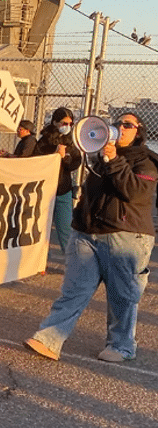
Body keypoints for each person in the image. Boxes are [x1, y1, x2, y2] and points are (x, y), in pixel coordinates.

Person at [25, 113, 157, 363]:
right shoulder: (100, 158)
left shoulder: (146, 161)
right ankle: (49, 338)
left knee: (122, 296)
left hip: (126, 237)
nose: (120, 128)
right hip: (87, 233)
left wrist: (114, 160)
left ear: (138, 131)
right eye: (117, 123)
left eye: (127, 125)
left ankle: (121, 345)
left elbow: (134, 192)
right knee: (74, 290)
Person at [32, 107, 81, 253]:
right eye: (63, 123)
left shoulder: (71, 141)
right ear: (55, 122)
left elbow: (75, 162)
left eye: (70, 124)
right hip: (44, 190)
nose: (67, 127)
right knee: (38, 226)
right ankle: (36, 261)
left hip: (62, 189)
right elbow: (36, 159)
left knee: (65, 227)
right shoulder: (45, 140)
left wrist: (64, 157)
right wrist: (53, 154)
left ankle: (70, 259)